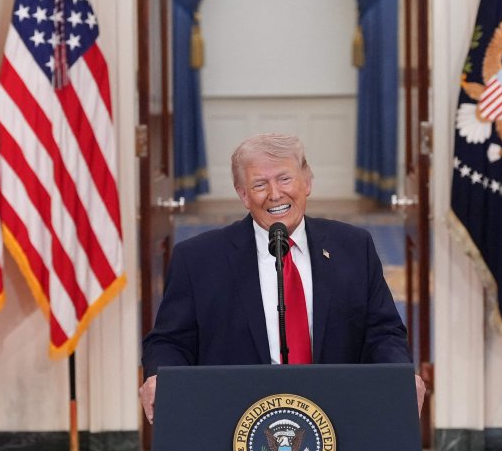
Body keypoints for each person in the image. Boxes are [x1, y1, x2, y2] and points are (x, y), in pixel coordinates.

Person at [139, 133, 426, 423]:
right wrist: (158, 377)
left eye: (285, 179)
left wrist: (399, 373)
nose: (275, 194)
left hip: (338, 417)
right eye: (259, 184)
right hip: (233, 422)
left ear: (307, 182)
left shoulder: (353, 247)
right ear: (243, 194)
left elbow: (384, 332)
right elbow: (168, 342)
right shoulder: (198, 259)